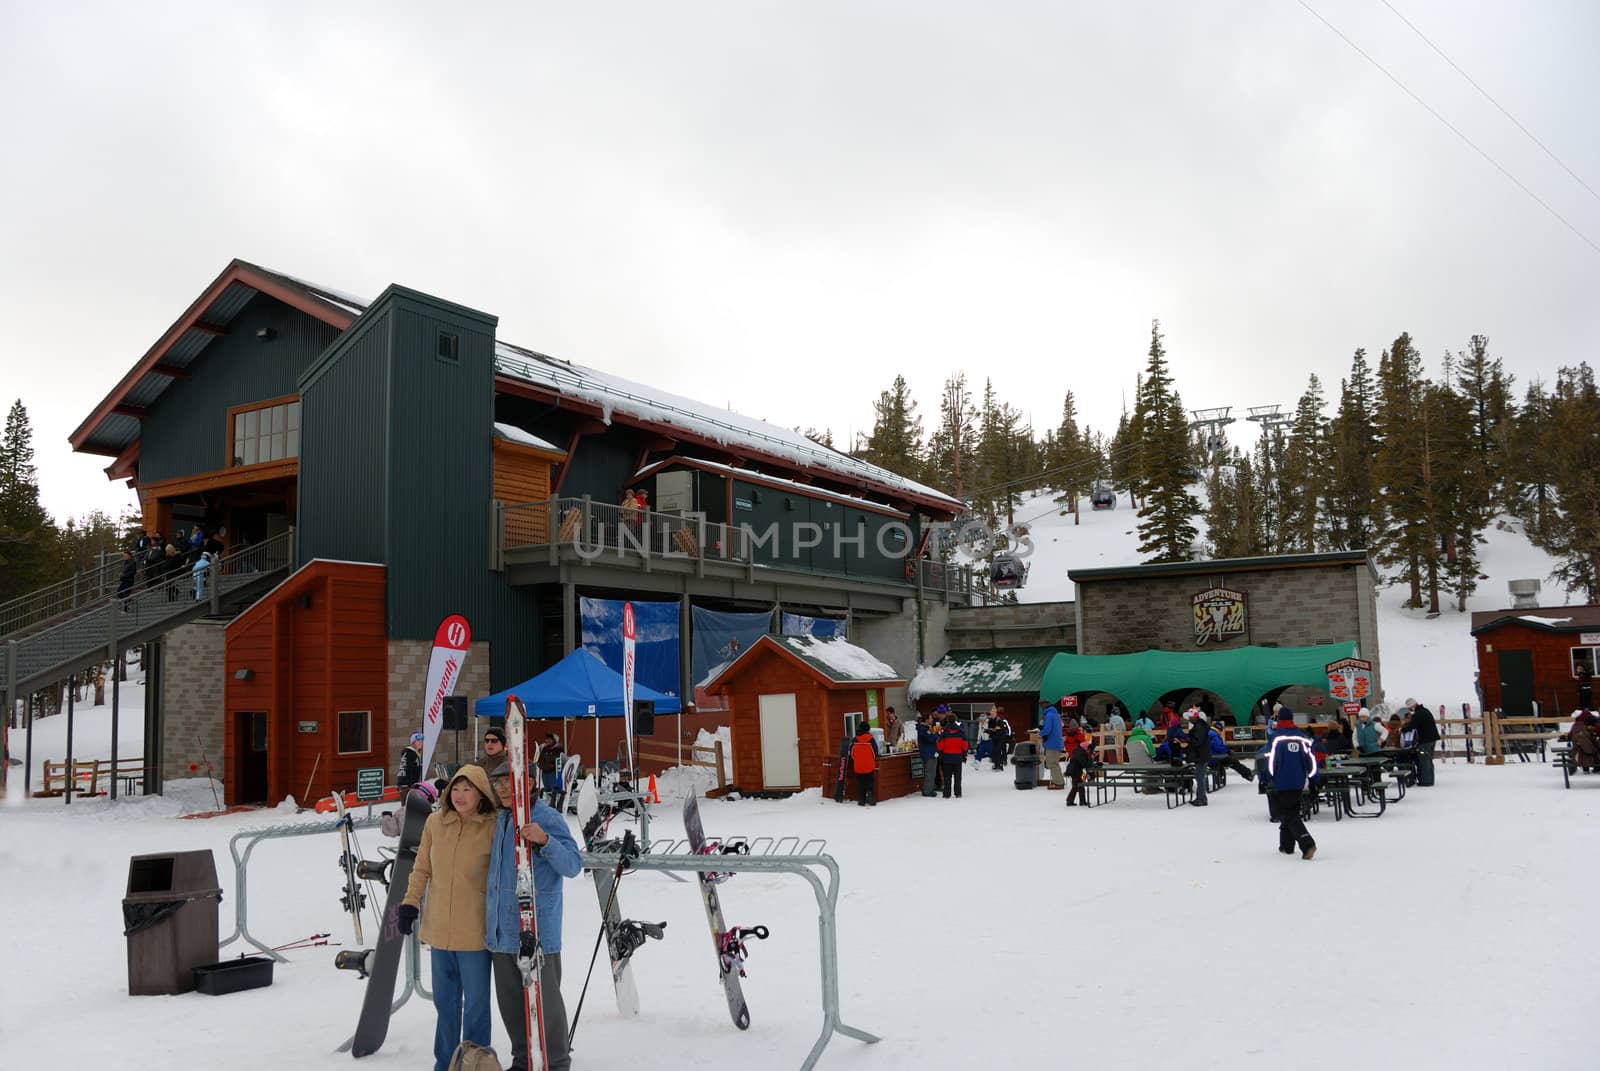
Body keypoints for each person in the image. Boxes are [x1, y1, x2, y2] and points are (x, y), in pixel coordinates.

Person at [399, 766, 500, 1071]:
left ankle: (474, 1063)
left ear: (481, 793)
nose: (459, 795)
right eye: (456, 789)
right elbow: (421, 869)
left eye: (467, 789)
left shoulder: (494, 825)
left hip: (475, 932)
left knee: (477, 1008)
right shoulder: (435, 822)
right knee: (446, 1006)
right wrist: (410, 903)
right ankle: (444, 1064)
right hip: (440, 929)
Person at [484, 760, 582, 1071]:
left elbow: (573, 865)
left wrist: (546, 841)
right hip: (502, 933)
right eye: (497, 784)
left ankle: (556, 1063)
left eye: (508, 782)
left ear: (528, 783)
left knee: (546, 1004)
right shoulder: (500, 819)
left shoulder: (547, 818)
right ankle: (523, 1060)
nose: (502, 789)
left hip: (537, 931)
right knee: (511, 1005)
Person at [1265, 711, 1318, 860]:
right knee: (1290, 810)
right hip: (1298, 780)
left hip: (1282, 780)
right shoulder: (1302, 737)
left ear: (1279, 720)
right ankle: (1286, 846)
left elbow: (1270, 761)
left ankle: (1307, 844)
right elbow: (1311, 761)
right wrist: (1313, 778)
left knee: (1290, 814)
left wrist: (1268, 777)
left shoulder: (1275, 738)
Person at [1402, 699, 1440, 786]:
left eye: (1409, 708)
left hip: (1425, 741)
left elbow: (1412, 726)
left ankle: (1425, 781)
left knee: (1424, 760)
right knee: (1428, 759)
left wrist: (1403, 729)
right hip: (1431, 740)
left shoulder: (1418, 714)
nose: (1409, 710)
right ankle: (1429, 779)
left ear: (1412, 706)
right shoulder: (1425, 711)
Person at [1062, 719, 1094, 806]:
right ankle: (1071, 800)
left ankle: (1079, 800)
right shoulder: (1080, 750)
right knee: (1077, 785)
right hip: (1075, 770)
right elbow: (1084, 763)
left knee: (1079, 785)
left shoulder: (1071, 741)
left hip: (1074, 768)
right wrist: (1090, 761)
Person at [1185, 708, 1211, 806]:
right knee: (1200, 777)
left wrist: (1188, 740)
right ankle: (1201, 798)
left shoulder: (1199, 727)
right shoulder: (1200, 726)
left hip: (1201, 755)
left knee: (1200, 778)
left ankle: (1201, 799)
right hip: (1201, 755)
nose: (1189, 719)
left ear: (1194, 717)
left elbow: (1197, 742)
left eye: (1190, 717)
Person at [937, 718, 968, 798]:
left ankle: (947, 794)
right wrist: (964, 755)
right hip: (958, 757)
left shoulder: (944, 733)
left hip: (947, 758)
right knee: (958, 777)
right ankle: (958, 793)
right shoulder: (961, 732)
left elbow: (940, 746)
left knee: (947, 777)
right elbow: (965, 746)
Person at [1039, 702, 1065, 790]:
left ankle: (1059, 783)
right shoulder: (1056, 714)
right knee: (1055, 763)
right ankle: (1058, 780)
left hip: (1052, 743)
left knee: (1053, 764)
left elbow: (1047, 729)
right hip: (1056, 742)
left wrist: (1040, 733)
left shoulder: (1049, 715)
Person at [851, 725, 878, 806]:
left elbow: (851, 753)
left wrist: (857, 760)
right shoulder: (871, 739)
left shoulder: (855, 739)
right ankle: (870, 799)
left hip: (858, 766)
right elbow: (875, 753)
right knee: (870, 783)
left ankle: (861, 800)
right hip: (869, 765)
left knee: (861, 783)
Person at [916, 714, 941, 797]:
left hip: (930, 752)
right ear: (926, 720)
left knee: (931, 772)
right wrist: (937, 733)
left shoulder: (926, 728)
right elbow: (931, 739)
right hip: (929, 753)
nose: (932, 720)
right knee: (930, 773)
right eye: (930, 718)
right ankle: (927, 791)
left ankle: (929, 788)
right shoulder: (923, 729)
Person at [537, 734, 564, 805]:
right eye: (547, 739)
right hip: (544, 772)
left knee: (554, 789)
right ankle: (548, 804)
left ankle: (555, 804)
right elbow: (540, 758)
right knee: (547, 790)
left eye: (549, 739)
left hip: (553, 773)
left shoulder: (558, 749)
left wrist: (551, 765)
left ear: (554, 740)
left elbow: (559, 759)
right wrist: (539, 763)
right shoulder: (544, 749)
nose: (547, 740)